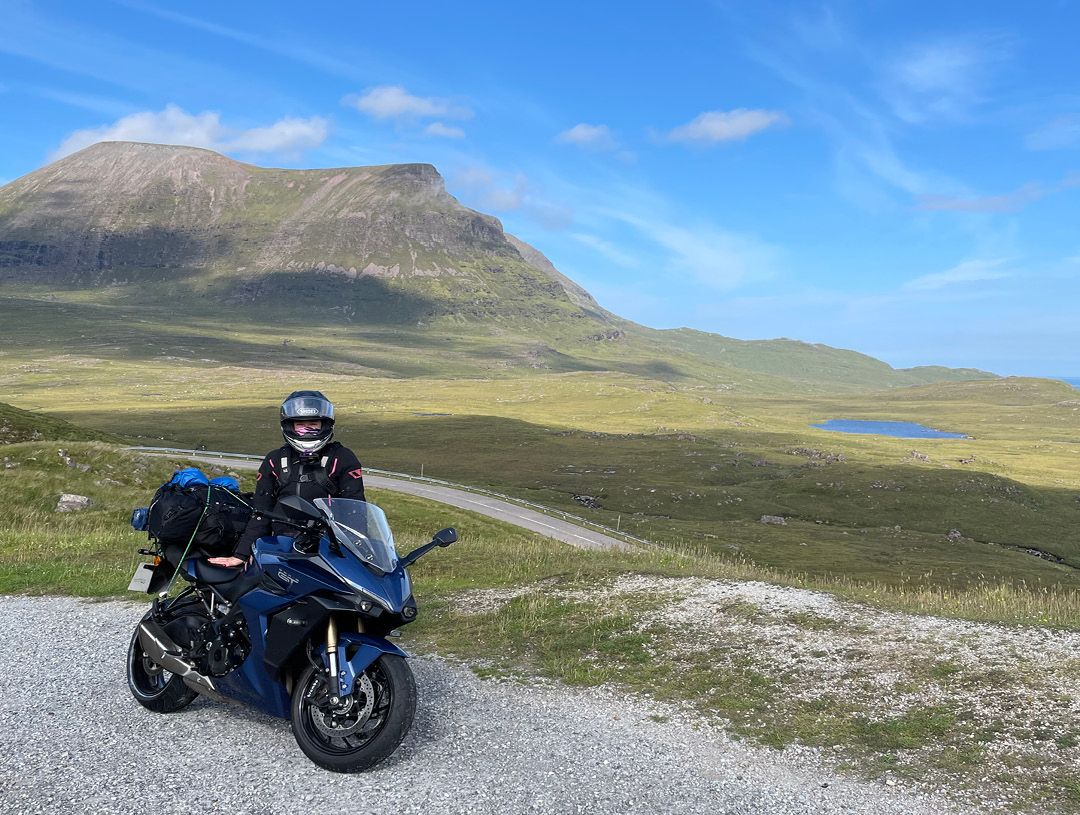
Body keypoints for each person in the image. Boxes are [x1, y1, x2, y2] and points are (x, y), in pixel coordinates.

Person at [208, 390, 366, 567]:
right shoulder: (274, 460)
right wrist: (242, 553)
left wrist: (360, 555)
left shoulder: (342, 458)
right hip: (279, 547)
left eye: (314, 424)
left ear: (325, 425)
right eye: (300, 425)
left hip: (328, 549)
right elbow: (261, 511)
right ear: (289, 426)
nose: (307, 430)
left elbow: (356, 511)